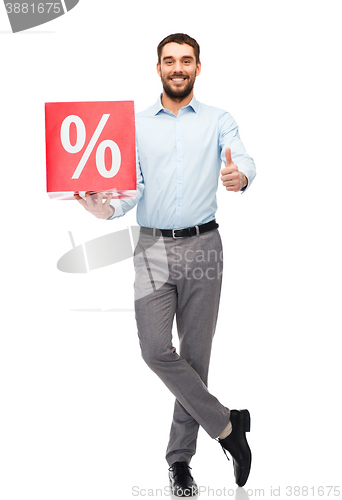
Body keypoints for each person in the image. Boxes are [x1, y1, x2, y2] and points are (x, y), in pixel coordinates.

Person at [75, 33, 256, 497]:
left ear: (198, 67)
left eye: (186, 60)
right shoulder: (133, 125)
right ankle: (226, 425)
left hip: (204, 245)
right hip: (153, 248)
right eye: (169, 60)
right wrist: (105, 210)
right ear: (158, 67)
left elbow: (243, 158)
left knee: (195, 358)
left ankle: (179, 462)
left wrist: (241, 176)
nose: (178, 68)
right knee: (156, 350)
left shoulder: (219, 120)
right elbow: (129, 189)